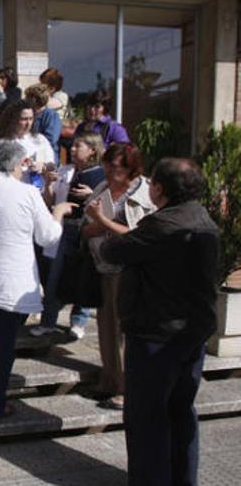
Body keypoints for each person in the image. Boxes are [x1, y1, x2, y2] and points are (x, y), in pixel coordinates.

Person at [100, 158, 219, 486]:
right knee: (181, 412)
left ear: (160, 189)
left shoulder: (163, 224)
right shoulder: (202, 217)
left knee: (148, 418)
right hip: (192, 332)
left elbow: (113, 250)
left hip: (157, 335)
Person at [0, 141, 75, 421]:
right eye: (22, 164)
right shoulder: (26, 192)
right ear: (14, 165)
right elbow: (48, 236)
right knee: (4, 342)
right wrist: (59, 212)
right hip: (10, 279)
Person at [83, 143, 155, 411]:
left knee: (124, 330)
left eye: (117, 166)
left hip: (130, 270)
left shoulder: (146, 193)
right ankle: (109, 379)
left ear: (131, 167)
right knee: (105, 326)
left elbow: (142, 237)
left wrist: (102, 221)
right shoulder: (102, 188)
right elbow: (86, 230)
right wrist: (95, 224)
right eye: (107, 164)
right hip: (102, 266)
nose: (110, 171)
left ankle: (126, 388)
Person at [31, 132, 106, 340]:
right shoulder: (65, 171)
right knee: (54, 275)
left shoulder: (101, 175)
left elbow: (107, 204)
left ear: (92, 150)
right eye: (72, 146)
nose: (72, 150)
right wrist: (48, 183)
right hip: (63, 227)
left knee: (82, 272)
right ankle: (48, 321)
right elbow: (49, 200)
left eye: (77, 146)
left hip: (85, 229)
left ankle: (79, 321)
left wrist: (93, 194)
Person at [0, 99, 54, 190]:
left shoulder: (40, 139)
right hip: (15, 191)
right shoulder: (5, 142)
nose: (28, 123)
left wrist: (43, 166)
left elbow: (51, 163)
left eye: (31, 119)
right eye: (24, 119)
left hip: (38, 192)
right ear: (14, 119)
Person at [25, 83, 61, 159]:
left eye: (27, 97)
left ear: (34, 99)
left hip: (45, 156)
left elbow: (51, 139)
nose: (25, 100)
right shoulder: (29, 114)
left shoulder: (51, 116)